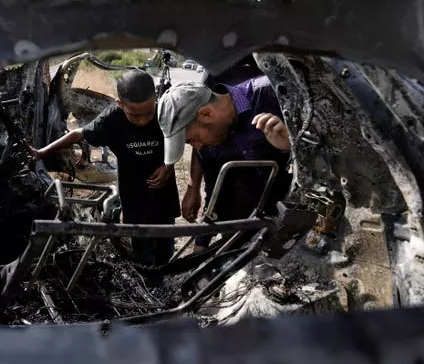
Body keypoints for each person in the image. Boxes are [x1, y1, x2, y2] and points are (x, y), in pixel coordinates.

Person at [30, 70, 181, 266]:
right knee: (142, 250)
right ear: (120, 104)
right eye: (135, 115)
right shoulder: (112, 119)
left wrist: (168, 166)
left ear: (155, 98)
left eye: (148, 113)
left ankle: (164, 277)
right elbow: (78, 135)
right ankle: (150, 282)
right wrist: (42, 152)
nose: (143, 120)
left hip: (164, 193)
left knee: (165, 247)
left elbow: (183, 139)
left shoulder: (165, 113)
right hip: (133, 194)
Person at [157, 78, 292, 252]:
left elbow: (331, 160)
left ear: (206, 114)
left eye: (192, 140)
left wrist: (291, 146)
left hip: (297, 217)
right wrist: (201, 242)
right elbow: (215, 192)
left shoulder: (275, 92)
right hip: (248, 219)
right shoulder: (208, 147)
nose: (197, 147)